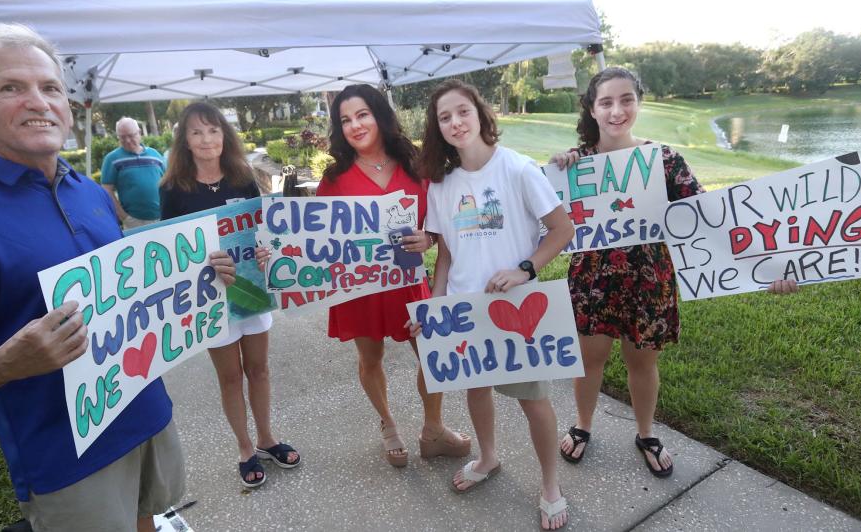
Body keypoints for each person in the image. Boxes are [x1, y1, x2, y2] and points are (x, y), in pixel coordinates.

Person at [0, 23, 236, 532]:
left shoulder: (90, 192)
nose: (38, 102)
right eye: (11, 87)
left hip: (146, 411)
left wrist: (201, 272)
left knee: (153, 519)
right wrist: (7, 361)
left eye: (50, 88)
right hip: (66, 456)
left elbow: (137, 290)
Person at [551, 67, 799, 479]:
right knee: (589, 361)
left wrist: (765, 269)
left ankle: (646, 434)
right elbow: (548, 221)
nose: (617, 110)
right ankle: (583, 425)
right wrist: (561, 170)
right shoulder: (576, 166)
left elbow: (713, 220)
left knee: (643, 364)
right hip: (592, 281)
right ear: (592, 110)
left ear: (639, 102)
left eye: (626, 99)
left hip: (650, 281)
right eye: (606, 102)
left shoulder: (664, 160)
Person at [261, 83, 472, 468]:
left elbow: (440, 221)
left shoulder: (416, 164)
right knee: (369, 356)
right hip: (358, 286)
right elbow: (311, 239)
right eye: (345, 120)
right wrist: (274, 255)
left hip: (409, 282)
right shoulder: (334, 179)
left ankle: (433, 430)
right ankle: (388, 424)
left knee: (432, 350)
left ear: (379, 115)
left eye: (362, 115)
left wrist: (429, 236)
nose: (355, 125)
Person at [410, 79, 576, 530]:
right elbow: (444, 254)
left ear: (481, 114)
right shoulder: (442, 185)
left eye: (462, 111)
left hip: (517, 309)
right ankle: (487, 457)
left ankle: (549, 485)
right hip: (465, 310)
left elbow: (562, 230)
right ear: (438, 128)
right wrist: (434, 309)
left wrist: (525, 268)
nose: (455, 122)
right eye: (444, 117)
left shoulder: (519, 169)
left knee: (533, 400)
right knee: (476, 389)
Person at [160, 102, 300, 489]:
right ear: (185, 141)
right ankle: (244, 449)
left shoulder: (242, 177)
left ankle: (267, 439)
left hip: (251, 290)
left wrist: (265, 249)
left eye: (213, 130)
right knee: (230, 377)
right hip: (210, 298)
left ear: (225, 135)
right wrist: (203, 265)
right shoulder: (173, 189)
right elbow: (170, 253)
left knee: (259, 370)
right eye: (196, 132)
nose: (206, 140)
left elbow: (261, 229)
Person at [101, 117, 166, 228]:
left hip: (163, 217)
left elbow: (168, 182)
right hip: (134, 221)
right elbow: (106, 189)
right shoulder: (112, 159)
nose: (127, 140)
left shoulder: (155, 154)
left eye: (131, 136)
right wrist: (124, 217)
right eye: (122, 137)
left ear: (139, 133)